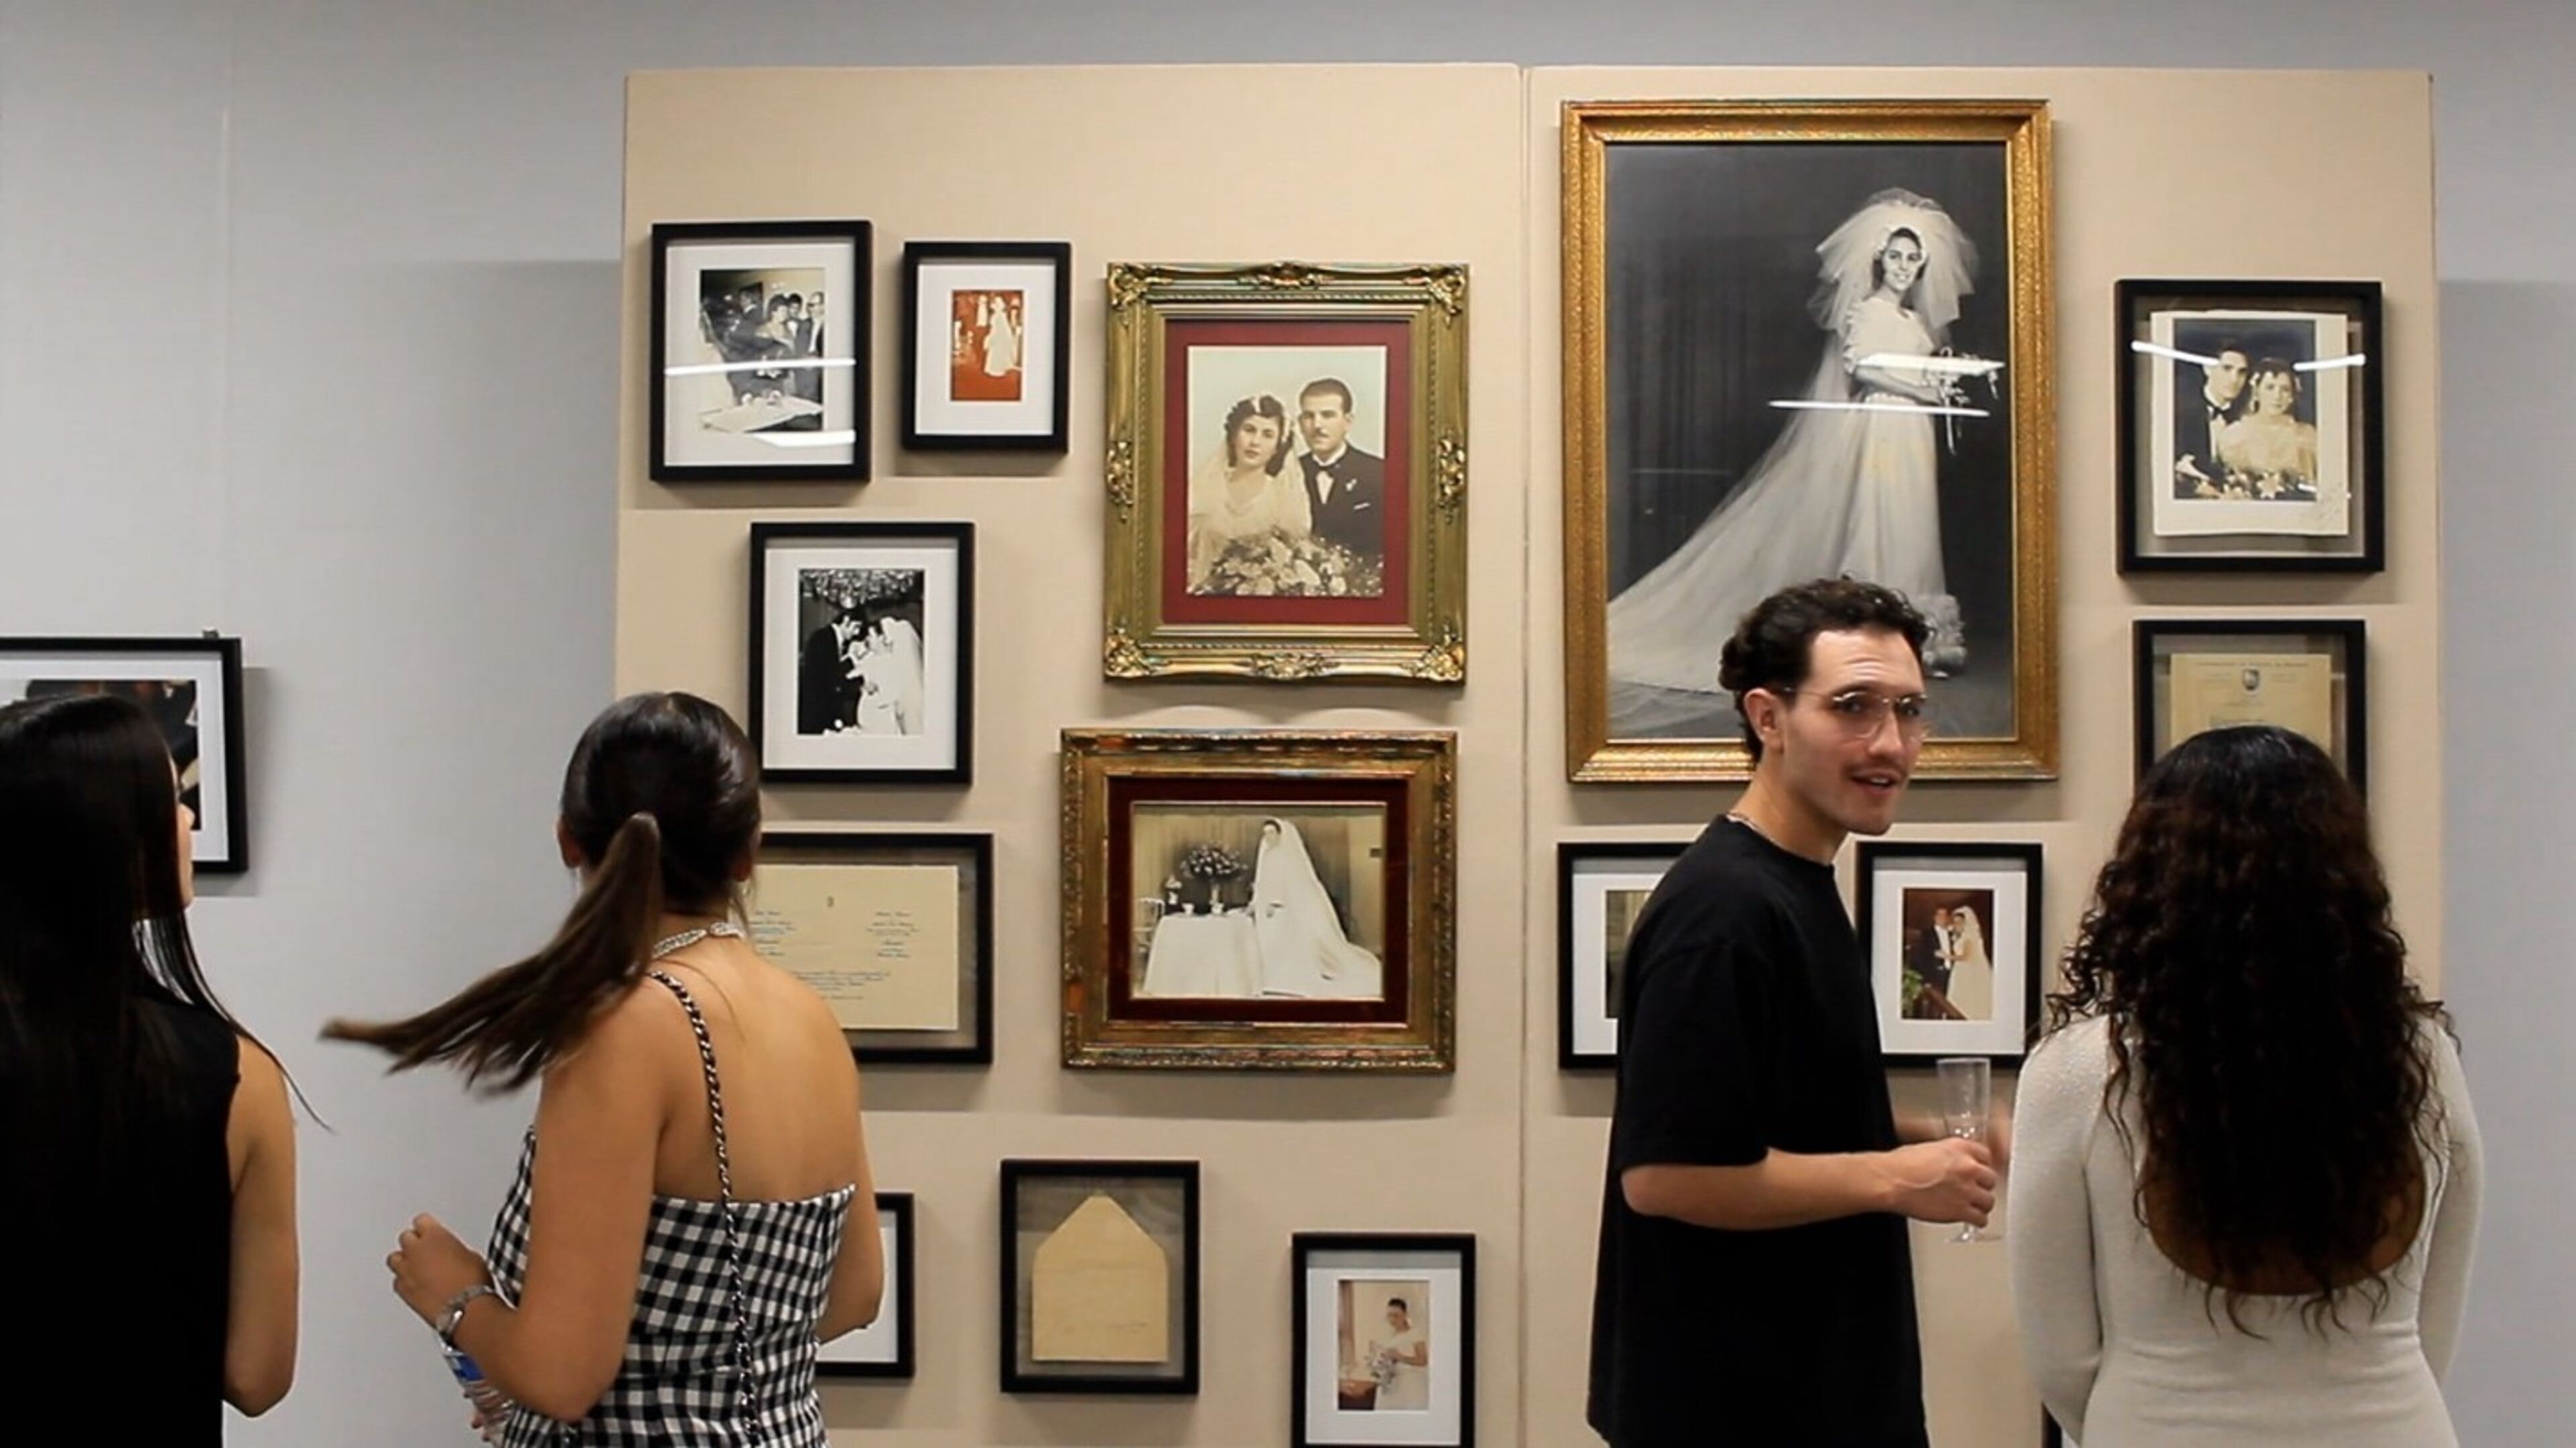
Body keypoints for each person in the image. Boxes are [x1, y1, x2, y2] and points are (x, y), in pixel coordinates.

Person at [324, 692, 883, 1444]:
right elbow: (852, 1296)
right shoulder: (808, 1015)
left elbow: (562, 1375)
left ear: (567, 839)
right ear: (750, 850)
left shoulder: (626, 1028)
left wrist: (456, 1295)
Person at [1588, 577, 1997, 1448]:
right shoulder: (1725, 909)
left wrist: (1926, 1131)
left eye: (1910, 709)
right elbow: (1667, 1174)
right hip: (1740, 1407)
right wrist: (1899, 1178)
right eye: (1853, 706)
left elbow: (1776, 1109)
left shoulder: (1792, 882)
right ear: (1768, 717)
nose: (1891, 741)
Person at [2008, 725, 2479, 1446]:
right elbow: (2433, 1323)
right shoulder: (2423, 1055)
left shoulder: (2080, 1070)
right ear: (2347, 877)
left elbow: (2060, 1355)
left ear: (2148, 881)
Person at [0, 693, 300, 1440]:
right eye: (170, 799)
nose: (189, 820)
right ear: (109, 840)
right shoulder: (240, 1077)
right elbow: (256, 1376)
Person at [1606, 189, 1987, 722]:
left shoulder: (1916, 323)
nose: (1904, 267)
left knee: (1911, 522)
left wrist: (1940, 386)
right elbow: (1863, 368)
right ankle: (1869, 639)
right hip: (1882, 423)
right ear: (1879, 258)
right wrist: (1925, 391)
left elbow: (1916, 367)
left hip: (1910, 429)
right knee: (1881, 520)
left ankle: (1913, 639)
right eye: (1896, 256)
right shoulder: (1869, 311)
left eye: (1913, 258)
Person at [1185, 393, 1309, 592]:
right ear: (1234, 436)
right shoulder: (1203, 488)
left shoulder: (1282, 498)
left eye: (1267, 435)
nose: (1255, 442)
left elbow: (1292, 558)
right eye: (1249, 430)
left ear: (1277, 447)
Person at [1250, 818, 1381, 999]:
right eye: (1266, 834)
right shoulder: (1267, 855)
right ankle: (1271, 977)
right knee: (1268, 941)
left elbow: (1287, 884)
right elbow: (1263, 883)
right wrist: (1256, 903)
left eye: (1272, 833)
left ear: (1281, 835)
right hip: (1266, 908)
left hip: (1280, 909)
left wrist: (1276, 903)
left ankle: (1284, 976)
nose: (1268, 837)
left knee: (1280, 941)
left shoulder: (1286, 857)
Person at [1294, 378, 1387, 561]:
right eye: (1309, 416)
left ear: (1348, 421)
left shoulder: (1379, 473)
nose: (1317, 425)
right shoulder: (1287, 473)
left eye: (1328, 415)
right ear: (1300, 423)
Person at [2215, 357, 2321, 500]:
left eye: (2285, 390)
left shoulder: (2307, 436)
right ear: (2257, 392)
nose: (2277, 396)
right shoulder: (2235, 435)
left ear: (2292, 396)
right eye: (2270, 388)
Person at [2171, 338, 2249, 497]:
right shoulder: (2179, 412)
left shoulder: (2246, 418)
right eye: (2227, 369)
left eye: (2241, 372)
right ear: (2207, 368)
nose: (2235, 379)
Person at [1364, 1296, 1431, 1410]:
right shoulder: (1388, 1335)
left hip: (1409, 1384)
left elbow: (1423, 1360)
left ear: (1405, 1315)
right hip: (1390, 1382)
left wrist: (1400, 1357)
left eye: (1396, 1316)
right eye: (1389, 1316)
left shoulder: (1414, 1334)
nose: (1392, 1320)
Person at [1945, 903, 1992, 1021]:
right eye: (1955, 922)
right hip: (1960, 970)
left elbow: (1966, 957)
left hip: (1967, 970)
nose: (1957, 924)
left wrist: (1946, 956)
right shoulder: (1959, 936)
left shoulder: (1969, 938)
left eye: (1960, 922)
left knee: (1968, 997)